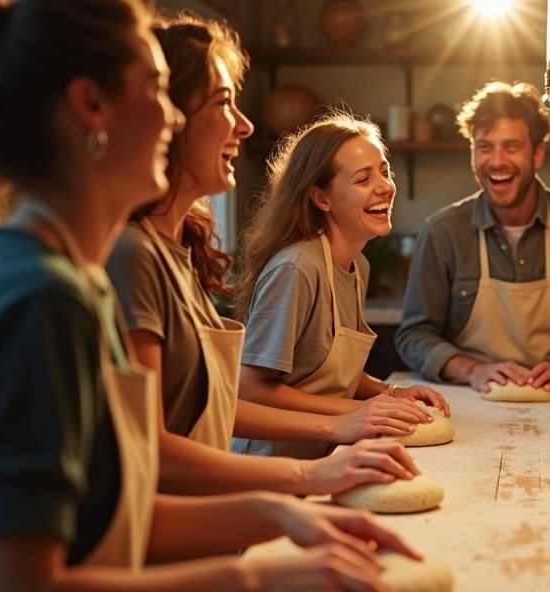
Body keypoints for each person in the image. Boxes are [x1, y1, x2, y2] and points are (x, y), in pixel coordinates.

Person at [0, 1, 417, 589]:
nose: (172, 119)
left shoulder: (74, 280)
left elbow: (109, 519)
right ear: (91, 108)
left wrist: (283, 508)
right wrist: (256, 578)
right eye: (157, 90)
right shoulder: (37, 300)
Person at [106, 11, 424, 495]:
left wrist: (387, 396)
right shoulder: (136, 254)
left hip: (255, 487)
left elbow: (214, 404)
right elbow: (173, 436)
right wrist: (336, 428)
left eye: (384, 171)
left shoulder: (178, 253)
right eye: (223, 101)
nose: (247, 125)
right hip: (248, 483)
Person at [395, 80, 550, 394]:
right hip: (470, 399)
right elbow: (413, 334)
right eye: (484, 147)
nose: (496, 162)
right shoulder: (442, 233)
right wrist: (472, 370)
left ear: (538, 154)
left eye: (512, 147)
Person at [232, 113, 450, 460]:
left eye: (384, 171)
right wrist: (350, 414)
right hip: (270, 464)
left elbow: (332, 374)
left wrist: (390, 392)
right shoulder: (297, 268)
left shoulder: (356, 264)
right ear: (322, 198)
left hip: (323, 456)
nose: (384, 186)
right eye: (363, 178)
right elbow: (251, 389)